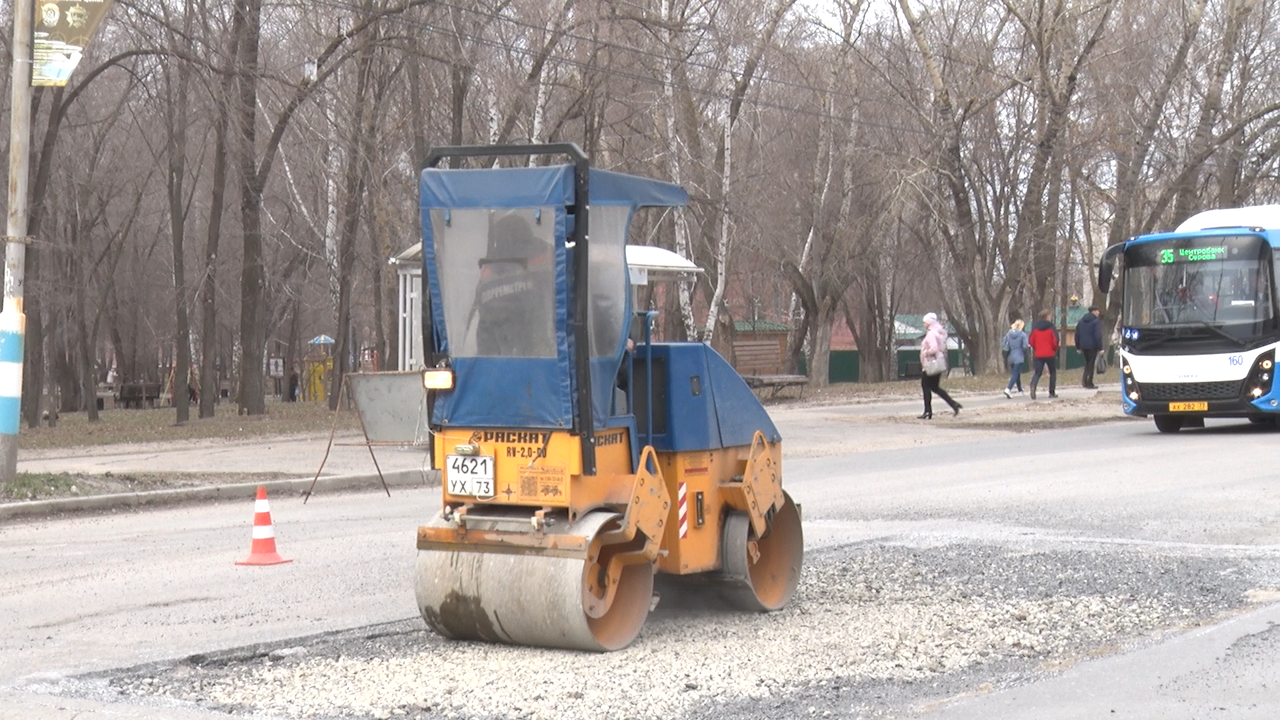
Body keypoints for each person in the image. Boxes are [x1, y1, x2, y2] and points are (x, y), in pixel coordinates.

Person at [918, 312, 961, 419]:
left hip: (931, 364)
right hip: (938, 363)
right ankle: (953, 404)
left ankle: (928, 411)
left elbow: (934, 348)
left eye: (925, 322)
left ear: (929, 323)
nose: (924, 324)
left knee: (925, 386)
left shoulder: (931, 334)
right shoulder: (938, 332)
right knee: (935, 388)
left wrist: (925, 353)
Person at [1028, 309, 1059, 400]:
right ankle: (1051, 392)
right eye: (1050, 316)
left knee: (1038, 372)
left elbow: (1031, 341)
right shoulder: (1051, 327)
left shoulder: (1035, 328)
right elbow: (1055, 340)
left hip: (1039, 354)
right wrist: (1054, 349)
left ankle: (1033, 385)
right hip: (1050, 353)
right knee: (1052, 372)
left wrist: (1036, 348)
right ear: (1047, 316)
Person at [1074, 306, 1103, 389]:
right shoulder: (1095, 321)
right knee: (1091, 364)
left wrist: (1078, 346)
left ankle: (1084, 381)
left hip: (1083, 345)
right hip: (1092, 346)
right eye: (1097, 311)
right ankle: (1089, 383)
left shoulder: (1081, 321)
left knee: (1087, 363)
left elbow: (1077, 334)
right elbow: (1097, 335)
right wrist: (1100, 347)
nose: (1098, 312)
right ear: (1093, 311)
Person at [1000, 319, 1030, 398]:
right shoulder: (1022, 335)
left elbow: (1003, 344)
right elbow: (1025, 345)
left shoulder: (1008, 334)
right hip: (1019, 356)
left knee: (1017, 373)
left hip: (1011, 357)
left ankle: (1020, 390)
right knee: (1015, 374)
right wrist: (1023, 351)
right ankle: (1008, 389)